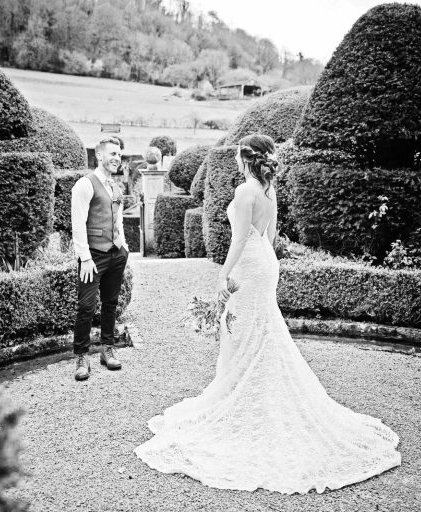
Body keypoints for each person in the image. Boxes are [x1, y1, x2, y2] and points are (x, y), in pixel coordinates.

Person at [134, 134, 401, 494]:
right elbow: (269, 236)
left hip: (249, 264)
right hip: (265, 262)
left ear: (244, 159)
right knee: (255, 329)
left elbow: (240, 239)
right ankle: (245, 392)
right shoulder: (268, 190)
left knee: (243, 331)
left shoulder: (246, 191)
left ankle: (242, 398)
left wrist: (224, 273)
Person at [70, 137, 129, 381]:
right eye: (113, 154)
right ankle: (82, 356)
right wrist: (84, 257)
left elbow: (118, 220)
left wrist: (124, 246)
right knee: (86, 306)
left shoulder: (116, 187)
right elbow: (78, 223)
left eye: (120, 155)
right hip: (93, 256)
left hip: (116, 254)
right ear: (100, 156)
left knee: (111, 303)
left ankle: (107, 348)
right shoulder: (85, 184)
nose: (117, 158)